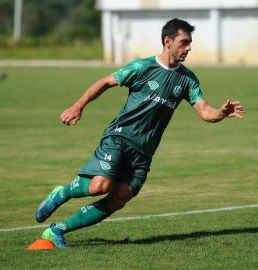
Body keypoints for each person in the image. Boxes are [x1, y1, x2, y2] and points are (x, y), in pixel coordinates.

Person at [35, 18, 245, 249]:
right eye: (184, 42)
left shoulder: (187, 79)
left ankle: (57, 231)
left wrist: (222, 113)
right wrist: (78, 106)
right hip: (119, 137)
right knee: (99, 187)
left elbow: (205, 112)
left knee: (120, 197)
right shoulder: (142, 68)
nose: (189, 48)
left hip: (144, 151)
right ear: (168, 41)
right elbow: (105, 82)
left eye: (190, 43)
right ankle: (62, 193)